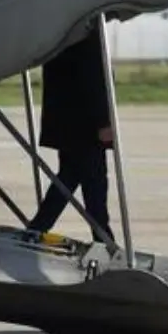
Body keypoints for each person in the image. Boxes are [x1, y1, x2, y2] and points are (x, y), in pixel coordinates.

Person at [27, 25, 115, 243]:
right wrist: (103, 120)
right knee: (92, 183)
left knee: (70, 178)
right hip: (85, 125)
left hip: (68, 122)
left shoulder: (61, 30)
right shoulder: (85, 31)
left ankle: (38, 229)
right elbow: (93, 77)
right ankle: (103, 240)